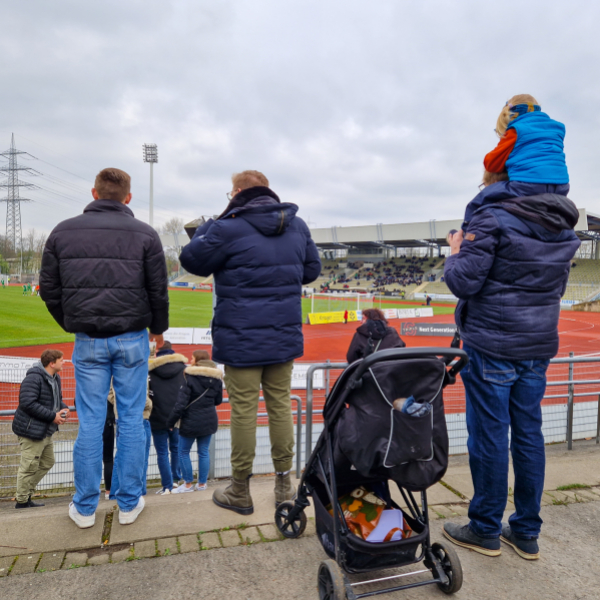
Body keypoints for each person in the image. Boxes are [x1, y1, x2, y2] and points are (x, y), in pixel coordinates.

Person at [442, 160, 580, 559]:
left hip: (493, 343)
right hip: (537, 345)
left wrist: (455, 251)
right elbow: (555, 287)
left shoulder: (491, 216)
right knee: (528, 434)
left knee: (489, 436)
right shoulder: (563, 223)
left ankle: (485, 527)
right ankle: (526, 532)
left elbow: (463, 281)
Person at [180, 170, 321, 515]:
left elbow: (191, 260)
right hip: (283, 336)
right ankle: (284, 486)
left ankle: (240, 490)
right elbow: (311, 271)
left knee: (244, 410)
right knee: (280, 406)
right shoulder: (297, 225)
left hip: (241, 337)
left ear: (239, 191)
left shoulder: (228, 226)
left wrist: (211, 226)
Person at [39, 167, 169, 528]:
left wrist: (72, 323)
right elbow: (158, 289)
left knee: (91, 423)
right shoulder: (145, 234)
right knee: (129, 420)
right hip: (132, 339)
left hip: (89, 341)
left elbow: (48, 289)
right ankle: (128, 503)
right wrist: (158, 329)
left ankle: (83, 507)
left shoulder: (63, 232)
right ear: (127, 198)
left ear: (94, 193)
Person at [463, 94, 570, 231]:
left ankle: (466, 235)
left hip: (529, 184)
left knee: (479, 201)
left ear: (511, 115)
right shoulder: (557, 128)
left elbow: (491, 163)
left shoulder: (516, 130)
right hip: (561, 186)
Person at [12, 349, 69, 509]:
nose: (64, 362)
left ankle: (26, 493)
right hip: (31, 431)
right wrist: (52, 416)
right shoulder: (34, 378)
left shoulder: (55, 377)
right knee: (29, 466)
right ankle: (22, 501)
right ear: (52, 363)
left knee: (48, 462)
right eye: (61, 359)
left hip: (45, 430)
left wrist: (64, 408)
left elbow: (56, 400)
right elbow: (27, 403)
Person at [166, 350, 223, 493]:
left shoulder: (189, 376)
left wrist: (170, 422)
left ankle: (187, 485)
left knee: (183, 451)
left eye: (192, 358)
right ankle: (202, 484)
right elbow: (218, 401)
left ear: (197, 360)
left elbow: (180, 404)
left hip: (190, 420)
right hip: (209, 419)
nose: (190, 360)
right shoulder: (217, 378)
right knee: (203, 451)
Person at [148, 340, 187, 494]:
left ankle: (167, 486)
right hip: (177, 416)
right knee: (176, 448)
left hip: (157, 416)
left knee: (162, 453)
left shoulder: (150, 370)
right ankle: (176, 481)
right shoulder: (183, 369)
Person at [108, 382, 153, 498]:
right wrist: (149, 404)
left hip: (120, 417)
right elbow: (140, 395)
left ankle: (114, 493)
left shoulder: (115, 370)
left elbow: (110, 393)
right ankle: (139, 493)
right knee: (141, 457)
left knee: (120, 457)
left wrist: (119, 405)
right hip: (140, 417)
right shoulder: (136, 368)